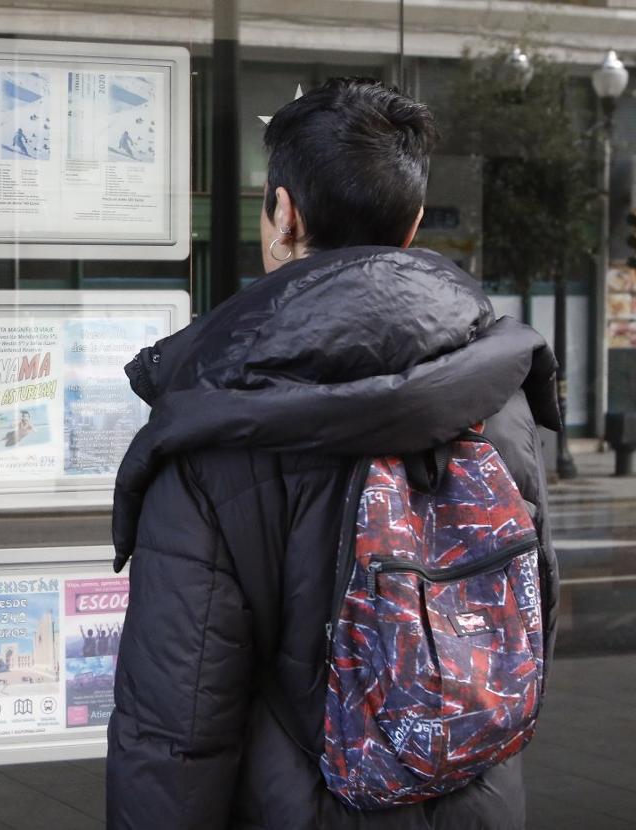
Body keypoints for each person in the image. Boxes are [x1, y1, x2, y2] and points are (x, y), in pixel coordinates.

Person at [106, 78, 560, 829]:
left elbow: (177, 722)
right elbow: (528, 613)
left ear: (283, 213)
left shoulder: (213, 418)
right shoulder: (496, 394)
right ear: (412, 224)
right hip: (476, 800)